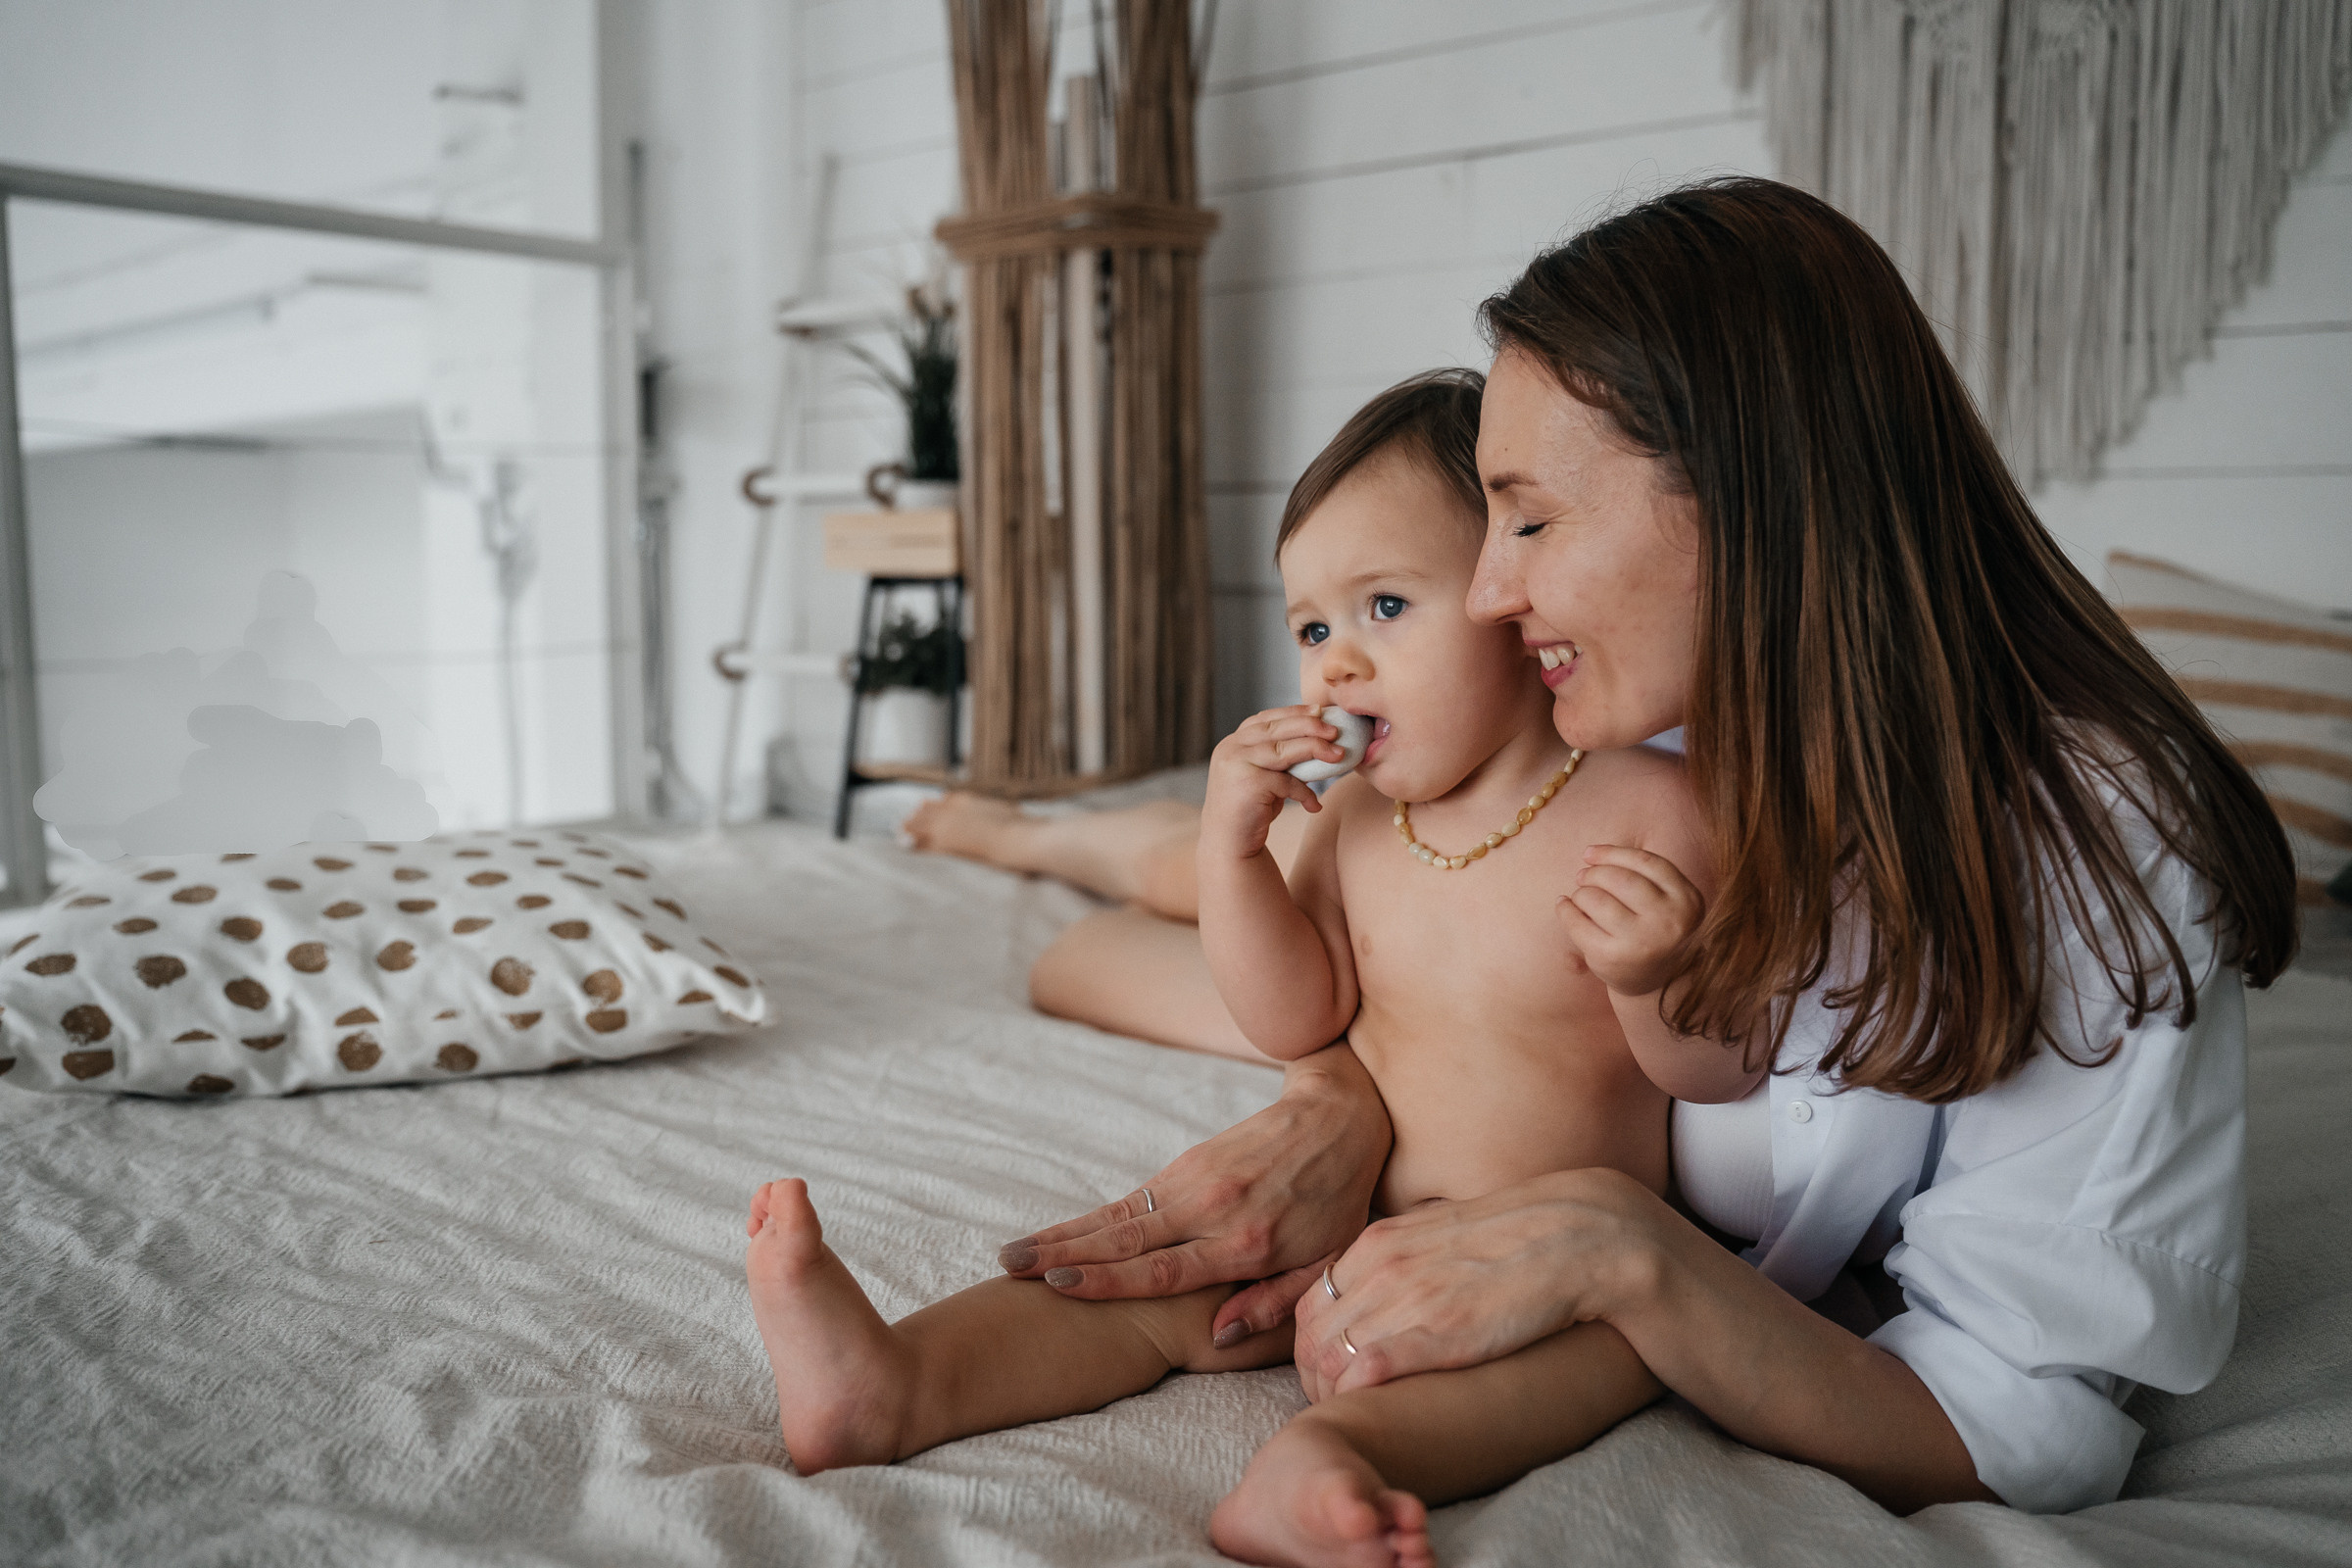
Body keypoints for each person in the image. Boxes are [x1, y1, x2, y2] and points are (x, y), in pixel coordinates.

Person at [989, 177, 2299, 1519]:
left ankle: (1053, 836)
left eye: (1532, 519)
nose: (1491, 593)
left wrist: (1628, 1253)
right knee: (1137, 891)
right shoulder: (1633, 704)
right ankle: (1030, 831)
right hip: (1374, 935)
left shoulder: (2099, 851)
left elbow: (2028, 1419)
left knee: (1123, 932)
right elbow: (1251, 969)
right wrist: (1338, 1094)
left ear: (1748, 499)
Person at [745, 369, 1736, 1567]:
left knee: (1607, 1356)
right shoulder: (1358, 822)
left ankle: (1322, 1469)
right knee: (1149, 1298)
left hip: (1530, 1271)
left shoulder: (1655, 808)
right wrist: (1231, 848)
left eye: (1383, 605)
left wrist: (1654, 975)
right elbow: (1292, 1014)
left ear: (1507, 600)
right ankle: (893, 1380)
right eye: (1313, 628)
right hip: (1330, 1228)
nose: (1336, 666)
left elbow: (1719, 1072)